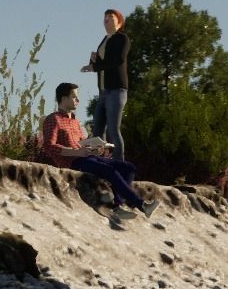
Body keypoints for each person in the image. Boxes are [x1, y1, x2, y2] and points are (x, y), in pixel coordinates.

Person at [40, 82, 157, 220]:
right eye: (74, 97)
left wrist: (95, 149)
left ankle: (118, 206)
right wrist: (76, 152)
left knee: (128, 168)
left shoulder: (75, 122)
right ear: (64, 98)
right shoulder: (53, 119)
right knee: (110, 171)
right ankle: (142, 205)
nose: (78, 100)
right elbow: (49, 146)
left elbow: (83, 143)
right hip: (72, 162)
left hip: (87, 158)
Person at [80, 8, 129, 161]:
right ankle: (98, 162)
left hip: (116, 90)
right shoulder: (104, 39)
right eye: (104, 17)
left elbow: (117, 61)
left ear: (119, 22)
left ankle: (119, 162)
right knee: (98, 130)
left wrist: (95, 66)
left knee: (113, 130)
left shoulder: (122, 39)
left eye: (110, 17)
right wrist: (93, 62)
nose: (106, 20)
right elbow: (102, 64)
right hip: (103, 91)